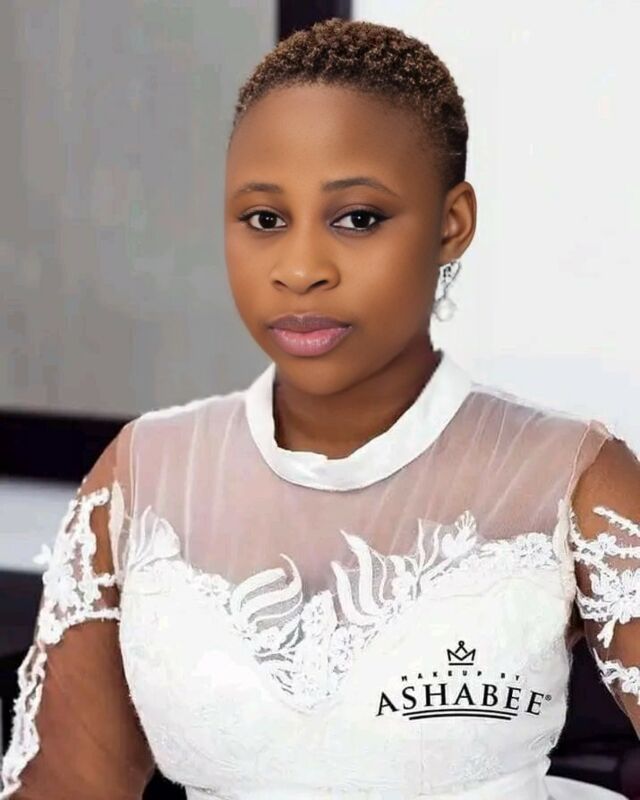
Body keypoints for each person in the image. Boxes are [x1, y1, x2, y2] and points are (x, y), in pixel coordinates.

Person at [1, 17, 639, 800]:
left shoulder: (574, 478)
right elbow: (70, 785)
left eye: (358, 218)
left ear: (452, 224)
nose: (300, 269)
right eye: (265, 220)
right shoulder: (142, 478)